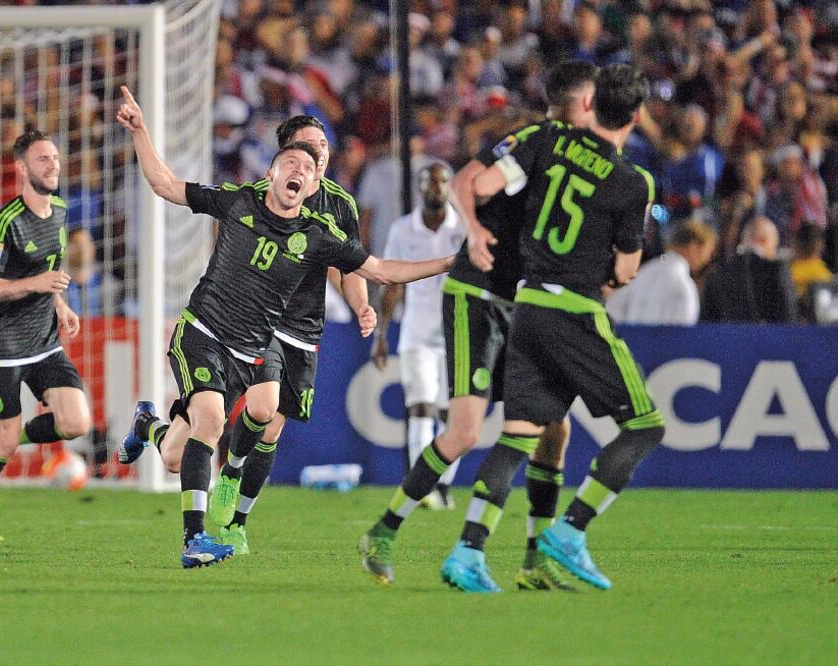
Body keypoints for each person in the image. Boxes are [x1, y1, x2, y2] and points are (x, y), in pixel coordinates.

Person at [115, 87, 453, 568]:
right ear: (270, 168)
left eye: (313, 161)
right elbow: (168, 185)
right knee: (218, 421)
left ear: (318, 178)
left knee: (177, 452)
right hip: (204, 332)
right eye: (293, 159)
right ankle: (197, 538)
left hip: (254, 346)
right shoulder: (237, 201)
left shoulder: (322, 231)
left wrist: (450, 263)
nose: (303, 166)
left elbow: (376, 270)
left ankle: (148, 427)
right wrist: (141, 131)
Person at [358, 60, 599, 591]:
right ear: (583, 104)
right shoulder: (534, 144)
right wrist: (472, 230)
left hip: (525, 301)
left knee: (553, 428)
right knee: (465, 431)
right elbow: (471, 178)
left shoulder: (588, 159)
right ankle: (385, 529)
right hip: (479, 296)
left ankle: (534, 558)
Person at [440, 63, 664, 592]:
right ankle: (570, 530)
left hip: (526, 307)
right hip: (574, 309)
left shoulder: (547, 142)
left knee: (519, 435)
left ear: (591, 105)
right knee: (645, 426)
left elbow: (488, 184)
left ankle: (467, 553)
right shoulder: (633, 181)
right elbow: (627, 270)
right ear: (633, 115)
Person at [119, 115, 375, 558]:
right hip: (251, 323)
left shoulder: (340, 206)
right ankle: (230, 482)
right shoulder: (255, 197)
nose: (319, 152)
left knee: (177, 454)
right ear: (281, 157)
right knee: (261, 411)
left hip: (301, 329)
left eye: (323, 145)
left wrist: (361, 305)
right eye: (307, 145)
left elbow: (351, 267)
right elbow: (176, 190)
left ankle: (157, 433)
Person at [0, 129, 91, 541]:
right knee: (2, 447)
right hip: (4, 348)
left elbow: (50, 272)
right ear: (21, 167)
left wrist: (62, 306)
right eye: (42, 160)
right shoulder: (7, 222)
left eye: (54, 158)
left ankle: (10, 432)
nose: (52, 166)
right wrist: (35, 285)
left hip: (45, 341)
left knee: (77, 421)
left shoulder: (63, 210)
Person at [371, 163, 464, 511]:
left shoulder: (465, 229)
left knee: (451, 415)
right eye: (429, 183)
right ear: (420, 188)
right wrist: (381, 334)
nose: (435, 189)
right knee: (420, 407)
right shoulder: (402, 229)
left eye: (441, 183)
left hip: (458, 332)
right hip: (417, 331)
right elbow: (393, 281)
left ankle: (443, 485)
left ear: (450, 187)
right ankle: (420, 485)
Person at [606, 220, 718, 325]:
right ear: (693, 247)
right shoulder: (683, 284)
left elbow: (612, 308)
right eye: (707, 252)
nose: (707, 259)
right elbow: (683, 333)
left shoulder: (643, 273)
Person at [701, 216, 798, 323]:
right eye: (774, 243)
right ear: (764, 239)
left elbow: (707, 322)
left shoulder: (717, 274)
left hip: (728, 339)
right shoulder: (776, 270)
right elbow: (789, 317)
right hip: (769, 339)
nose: (774, 251)